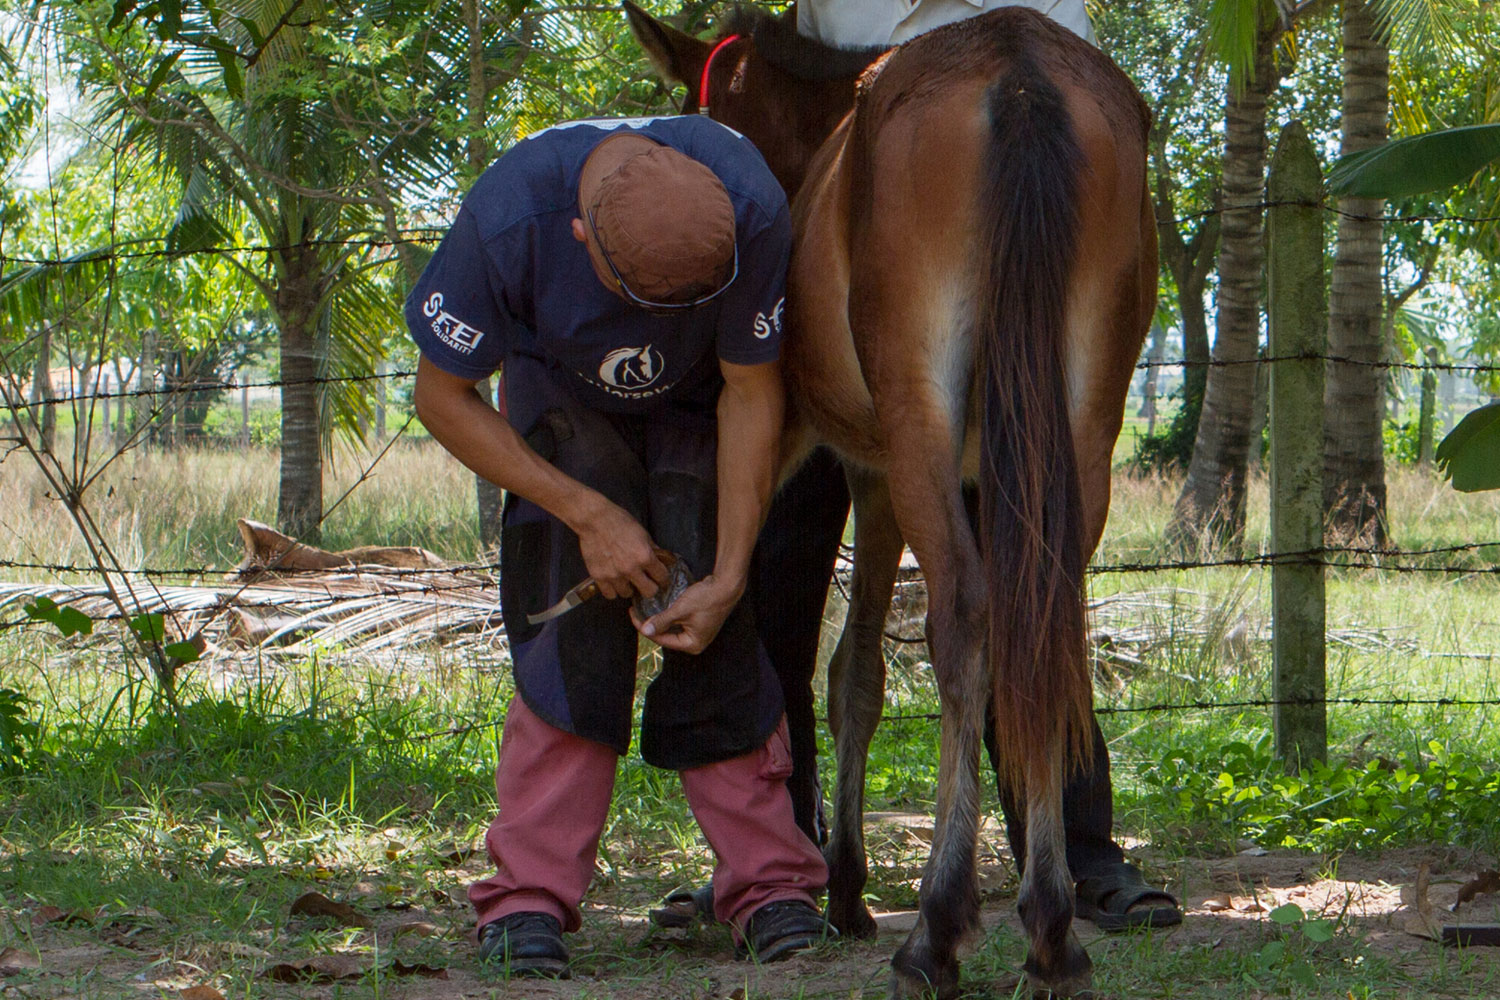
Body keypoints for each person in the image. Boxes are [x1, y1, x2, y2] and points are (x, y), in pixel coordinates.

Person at [652, 0, 1183, 936]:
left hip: (913, 104)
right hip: (895, 85)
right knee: (1018, 550)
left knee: (842, 558)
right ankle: (794, 854)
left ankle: (783, 853)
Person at [406, 115, 832, 978]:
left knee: (712, 616)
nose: (657, 324)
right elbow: (442, 396)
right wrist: (587, 515)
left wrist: (732, 570)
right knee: (572, 628)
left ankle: (769, 884)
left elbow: (751, 392)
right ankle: (527, 898)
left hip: (701, 413)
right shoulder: (509, 219)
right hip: (559, 405)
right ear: (578, 236)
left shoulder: (749, 207)